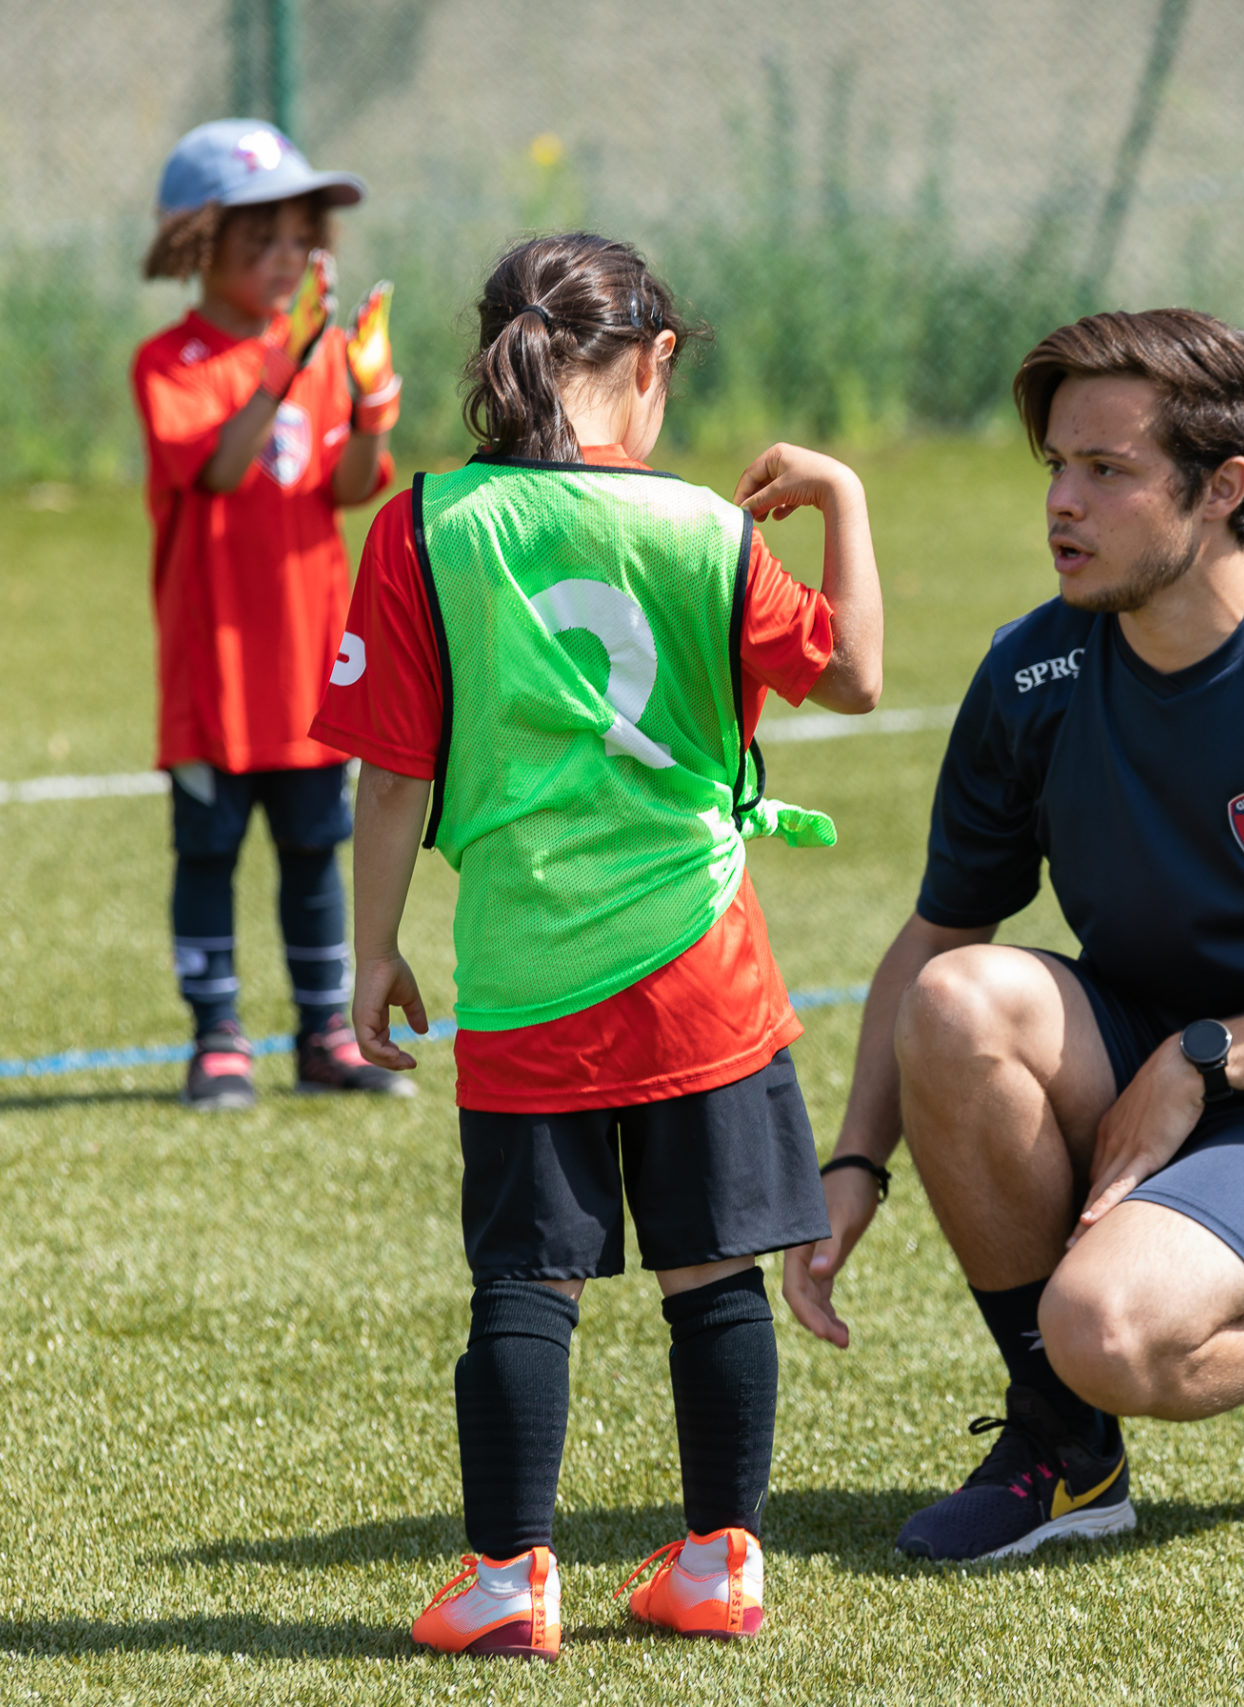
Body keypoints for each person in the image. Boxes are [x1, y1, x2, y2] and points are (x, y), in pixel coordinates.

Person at [785, 308, 1244, 1561]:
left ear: (1224, 489)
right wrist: (851, 1163)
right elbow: (935, 937)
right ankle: (1065, 1454)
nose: (1061, 504)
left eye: (1106, 472)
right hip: (1141, 1056)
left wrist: (1203, 1058)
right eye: (1055, 467)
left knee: (1110, 1330)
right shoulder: (1033, 674)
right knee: (960, 1001)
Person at [312, 233, 884, 1658]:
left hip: (527, 969)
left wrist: (370, 951)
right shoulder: (707, 529)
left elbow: (390, 777)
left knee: (526, 1280)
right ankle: (718, 1561)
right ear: (657, 362)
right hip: (704, 966)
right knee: (715, 1274)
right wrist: (847, 501)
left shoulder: (425, 522)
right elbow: (858, 675)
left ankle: (508, 1576)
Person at [132, 119, 410, 1110]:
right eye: (264, 242)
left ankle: (323, 1033)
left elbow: (348, 488)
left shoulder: (318, 353)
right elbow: (215, 465)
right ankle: (217, 1040)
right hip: (215, 670)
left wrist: (371, 403)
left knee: (312, 852)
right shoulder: (172, 362)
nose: (289, 261)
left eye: (301, 241)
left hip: (309, 669)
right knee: (207, 852)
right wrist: (284, 368)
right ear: (199, 247)